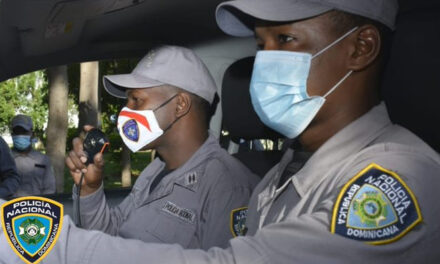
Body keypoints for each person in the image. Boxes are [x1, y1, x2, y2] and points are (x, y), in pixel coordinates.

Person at [1, 0, 440, 263]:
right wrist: (93, 191)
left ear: (360, 48)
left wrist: (37, 243)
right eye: (260, 45)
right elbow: (114, 233)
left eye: (284, 41)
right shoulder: (278, 176)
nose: (264, 63)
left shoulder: (401, 179)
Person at [65, 45, 259, 249]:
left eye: (136, 100)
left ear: (180, 105)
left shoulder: (228, 186)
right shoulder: (156, 170)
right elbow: (111, 238)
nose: (126, 111)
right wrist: (90, 188)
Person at [10, 114, 56, 196]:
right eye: (17, 132)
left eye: (24, 132)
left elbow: (49, 189)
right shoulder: (4, 160)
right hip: (8, 207)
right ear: (12, 134)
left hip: (38, 206)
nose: (20, 135)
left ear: (32, 134)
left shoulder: (43, 160)